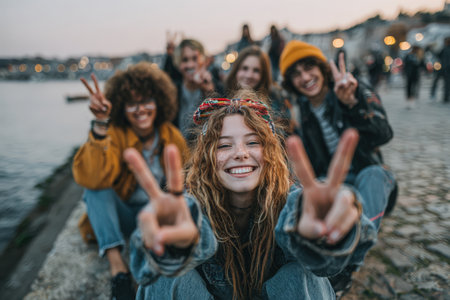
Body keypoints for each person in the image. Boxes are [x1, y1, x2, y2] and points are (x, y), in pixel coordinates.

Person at [124, 92, 390, 299]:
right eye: (224, 145)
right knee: (167, 275)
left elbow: (326, 256)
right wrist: (172, 247)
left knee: (298, 274)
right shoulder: (190, 205)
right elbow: (152, 262)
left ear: (271, 155)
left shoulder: (290, 199)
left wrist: (326, 236)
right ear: (206, 158)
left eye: (252, 142)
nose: (240, 153)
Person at [280, 40, 396, 295]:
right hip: (336, 181)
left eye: (309, 68)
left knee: (374, 176)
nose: (305, 77)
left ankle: (348, 266)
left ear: (321, 68)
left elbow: (383, 133)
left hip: (368, 172)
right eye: (296, 74)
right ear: (291, 82)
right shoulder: (303, 112)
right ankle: (330, 244)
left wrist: (352, 104)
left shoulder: (350, 89)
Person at [72, 62, 189, 300]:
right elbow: (91, 177)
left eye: (147, 101)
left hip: (157, 219)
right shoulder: (114, 133)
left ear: (159, 102)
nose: (140, 110)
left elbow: (188, 180)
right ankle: (119, 271)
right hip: (124, 214)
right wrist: (101, 123)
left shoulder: (172, 136)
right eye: (131, 104)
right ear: (122, 107)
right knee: (95, 190)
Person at [225, 45, 297, 134]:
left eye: (256, 70)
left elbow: (286, 133)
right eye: (245, 68)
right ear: (236, 70)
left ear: (263, 75)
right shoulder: (221, 98)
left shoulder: (276, 102)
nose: (249, 75)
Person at [163, 38, 223, 139]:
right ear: (178, 63)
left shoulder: (217, 87)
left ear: (203, 60)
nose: (190, 65)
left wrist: (210, 93)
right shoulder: (171, 92)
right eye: (185, 60)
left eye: (195, 59)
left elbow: (221, 123)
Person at [440, 36, 450, 103]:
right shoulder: (445, 48)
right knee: (447, 83)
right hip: (446, 68)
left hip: (446, 68)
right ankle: (446, 96)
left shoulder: (445, 48)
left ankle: (446, 97)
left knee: (446, 83)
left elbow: (439, 55)